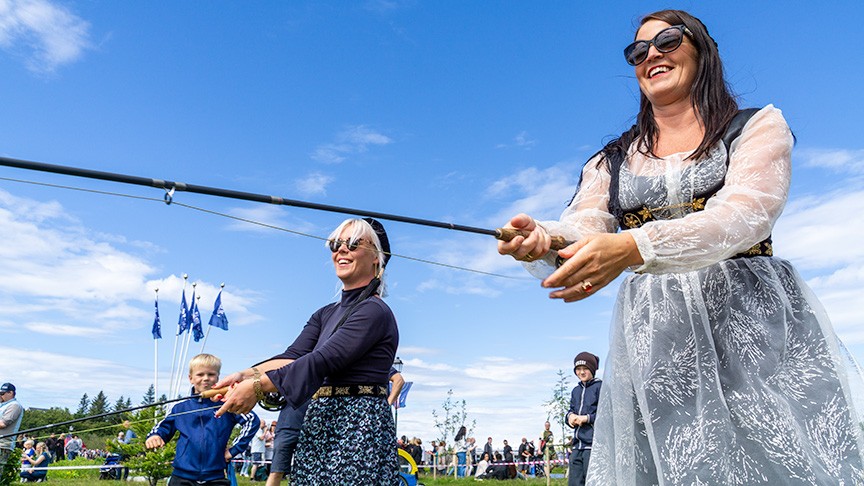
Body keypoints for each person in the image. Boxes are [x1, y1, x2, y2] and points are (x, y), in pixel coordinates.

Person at [498, 9, 864, 485]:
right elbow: (585, 223)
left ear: (702, 50)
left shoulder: (756, 126)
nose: (651, 54)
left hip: (753, 329)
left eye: (667, 40)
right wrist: (545, 241)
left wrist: (635, 245)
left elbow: (745, 215)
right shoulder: (612, 160)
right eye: (638, 50)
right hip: (659, 341)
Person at [214, 217, 399, 485]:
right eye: (336, 243)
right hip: (319, 422)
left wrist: (257, 387)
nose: (341, 249)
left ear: (376, 258)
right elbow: (293, 356)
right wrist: (245, 375)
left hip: (358, 427)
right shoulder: (325, 313)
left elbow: (323, 360)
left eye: (353, 243)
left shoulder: (374, 311)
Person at [146, 353, 260, 486]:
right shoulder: (180, 407)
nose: (206, 378)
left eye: (211, 374)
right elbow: (163, 427)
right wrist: (155, 435)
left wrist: (234, 450)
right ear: (190, 378)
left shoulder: (227, 404)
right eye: (200, 374)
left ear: (218, 377)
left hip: (216, 477)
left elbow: (252, 421)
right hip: (181, 477)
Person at [566, 352, 602, 486]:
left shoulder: (601, 387)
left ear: (592, 369)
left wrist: (586, 419)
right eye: (578, 369)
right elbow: (571, 410)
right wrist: (569, 417)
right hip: (577, 446)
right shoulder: (575, 390)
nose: (581, 372)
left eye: (585, 369)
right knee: (574, 482)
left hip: (593, 446)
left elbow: (606, 415)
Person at [0, 382, 23, 468]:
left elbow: (3, 424)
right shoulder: (2, 406)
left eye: (2, 393)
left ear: (11, 393)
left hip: (3, 445)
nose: (0, 396)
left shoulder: (14, 406)